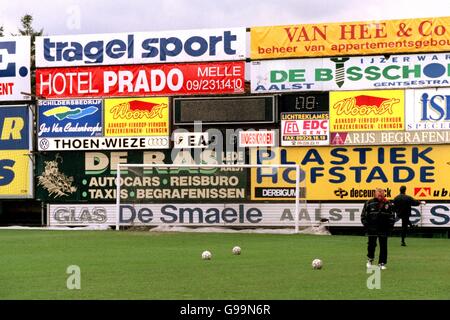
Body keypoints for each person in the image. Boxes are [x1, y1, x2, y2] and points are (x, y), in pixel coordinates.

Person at [361, 188, 396, 270]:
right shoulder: (369, 203)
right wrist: (367, 226)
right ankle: (370, 259)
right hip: (372, 228)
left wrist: (390, 227)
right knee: (371, 245)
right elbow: (363, 216)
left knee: (383, 246)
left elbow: (392, 216)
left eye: (382, 194)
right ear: (375, 194)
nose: (380, 196)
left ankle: (382, 263)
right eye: (379, 194)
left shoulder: (388, 204)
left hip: (384, 228)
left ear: (384, 194)